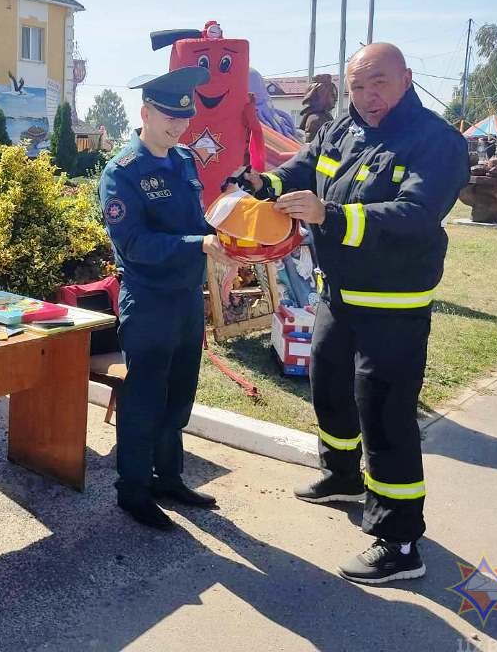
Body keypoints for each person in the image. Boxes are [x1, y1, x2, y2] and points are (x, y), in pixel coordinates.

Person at [239, 42, 468, 583]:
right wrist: (261, 184)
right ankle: (341, 474)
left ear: (407, 78)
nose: (368, 97)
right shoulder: (342, 128)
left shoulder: (437, 141)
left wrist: (331, 215)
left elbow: (413, 214)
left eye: (379, 83)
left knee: (385, 415)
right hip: (337, 293)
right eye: (358, 86)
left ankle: (400, 539)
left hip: (393, 303)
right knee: (329, 386)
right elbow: (301, 166)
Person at [98, 65, 234, 531]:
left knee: (179, 395)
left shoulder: (183, 162)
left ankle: (168, 478)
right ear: (145, 113)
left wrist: (224, 238)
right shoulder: (122, 173)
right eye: (167, 117)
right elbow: (134, 245)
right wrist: (198, 246)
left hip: (185, 300)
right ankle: (132, 491)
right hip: (149, 301)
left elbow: (196, 222)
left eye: (183, 118)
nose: (177, 126)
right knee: (145, 399)